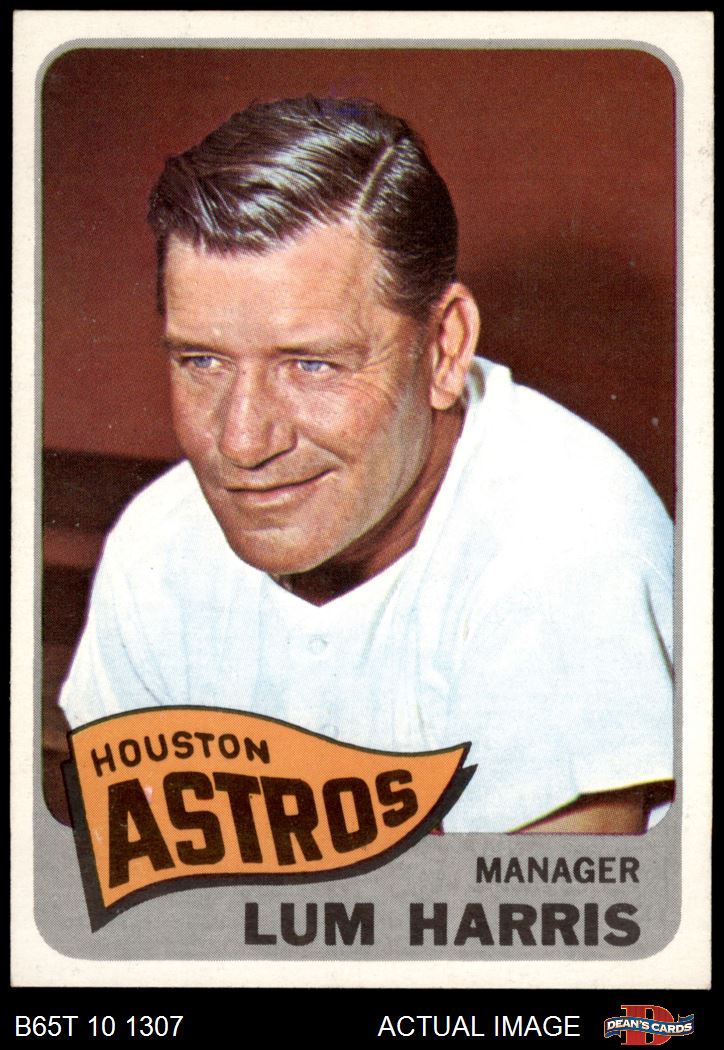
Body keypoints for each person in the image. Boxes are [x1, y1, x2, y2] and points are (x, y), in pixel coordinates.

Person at [58, 97, 673, 833]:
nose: (243, 442)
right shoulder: (160, 539)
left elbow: (558, 910)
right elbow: (127, 872)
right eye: (202, 361)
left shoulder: (567, 544)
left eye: (312, 364)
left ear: (444, 349)